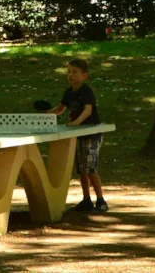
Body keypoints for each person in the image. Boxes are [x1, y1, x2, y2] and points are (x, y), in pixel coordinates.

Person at [48, 57, 108, 212]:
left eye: (74, 72)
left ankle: (101, 201)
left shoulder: (86, 91)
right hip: (78, 134)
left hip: (92, 133)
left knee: (90, 168)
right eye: (69, 72)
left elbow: (88, 110)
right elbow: (60, 109)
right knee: (81, 169)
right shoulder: (69, 92)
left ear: (84, 75)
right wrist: (45, 115)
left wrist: (77, 122)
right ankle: (86, 200)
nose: (70, 75)